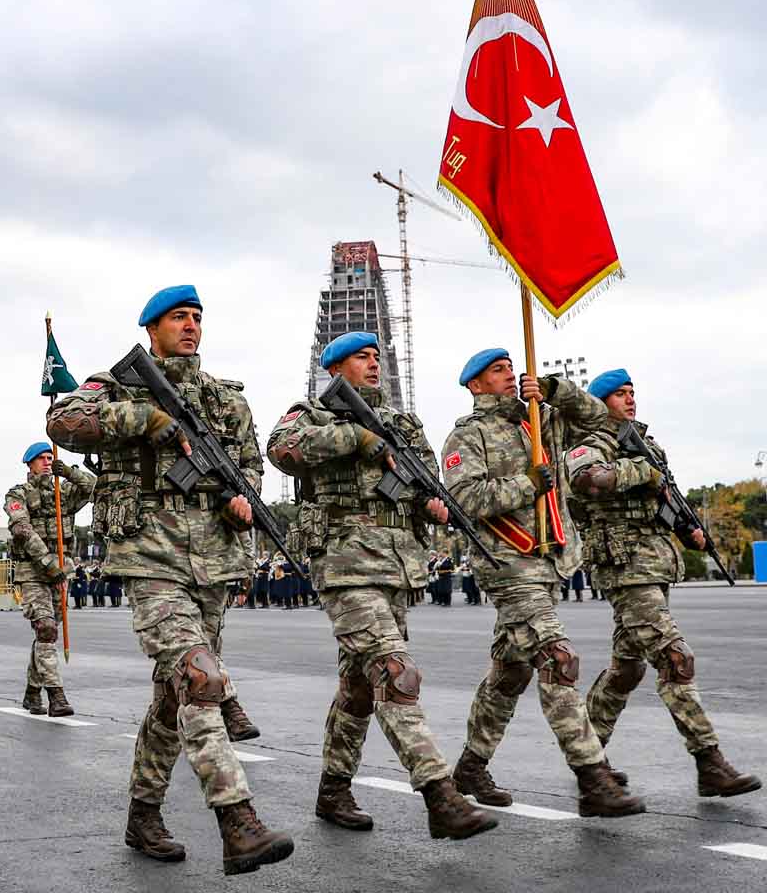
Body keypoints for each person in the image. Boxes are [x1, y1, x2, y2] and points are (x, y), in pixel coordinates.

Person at [46, 284, 291, 875]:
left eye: (197, 317)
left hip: (212, 561)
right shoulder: (119, 385)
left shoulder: (225, 398)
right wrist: (144, 418)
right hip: (149, 556)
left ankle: (143, 812)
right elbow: (62, 421)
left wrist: (242, 496)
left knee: (173, 696)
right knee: (200, 679)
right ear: (152, 329)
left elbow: (252, 462)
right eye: (179, 317)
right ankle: (238, 821)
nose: (191, 326)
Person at [268, 330, 496, 841]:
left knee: (359, 685)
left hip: (395, 568)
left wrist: (431, 505)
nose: (373, 364)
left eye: (376, 356)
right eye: (360, 358)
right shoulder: (313, 412)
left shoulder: (403, 423)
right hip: (345, 564)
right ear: (334, 369)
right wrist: (359, 438)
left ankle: (333, 789)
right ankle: (441, 796)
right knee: (395, 674)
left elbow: (422, 483)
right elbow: (281, 450)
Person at [441, 348, 645, 818]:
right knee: (558, 658)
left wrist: (554, 390)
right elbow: (463, 499)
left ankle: (471, 766)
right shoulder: (468, 435)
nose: (510, 375)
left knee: (511, 671)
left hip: (549, 561)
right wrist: (526, 485)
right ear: (475, 385)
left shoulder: (542, 421)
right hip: (507, 564)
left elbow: (601, 422)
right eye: (498, 371)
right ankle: (593, 778)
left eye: (511, 368)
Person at [567, 368, 761, 798]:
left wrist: (687, 528)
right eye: (619, 394)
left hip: (653, 565)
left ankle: (588, 760)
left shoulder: (647, 445)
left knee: (626, 670)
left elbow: (663, 499)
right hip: (625, 569)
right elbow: (587, 480)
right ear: (599, 403)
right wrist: (644, 474)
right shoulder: (587, 445)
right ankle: (709, 762)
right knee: (675, 657)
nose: (630, 400)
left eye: (632, 393)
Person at [4, 441, 94, 717]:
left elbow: (93, 489)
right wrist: (48, 563)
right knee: (45, 628)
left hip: (60, 571)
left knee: (48, 633)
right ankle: (56, 695)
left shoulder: (63, 493)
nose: (46, 462)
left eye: (49, 457)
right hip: (34, 571)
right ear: (29, 464)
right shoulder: (18, 493)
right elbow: (22, 529)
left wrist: (69, 472)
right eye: (41, 458)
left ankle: (32, 691)